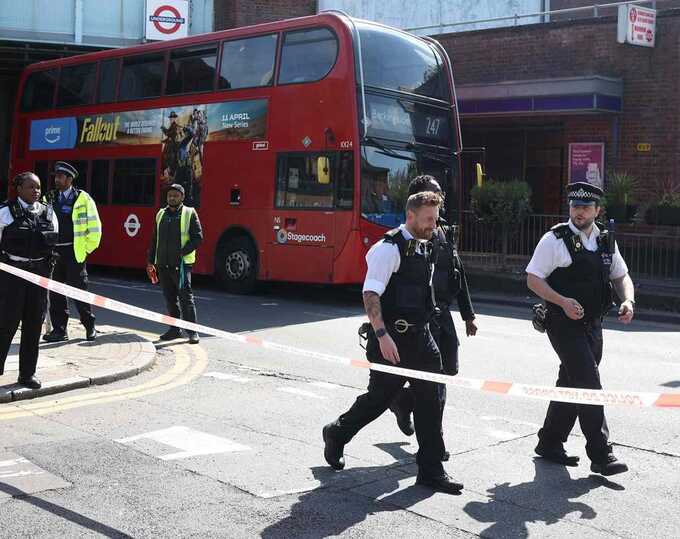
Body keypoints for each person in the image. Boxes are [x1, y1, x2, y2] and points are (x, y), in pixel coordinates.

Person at [323, 191, 463, 494]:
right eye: (428, 219)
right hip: (392, 339)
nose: (433, 225)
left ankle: (431, 470)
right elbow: (370, 294)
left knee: (431, 401)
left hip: (423, 337)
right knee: (379, 399)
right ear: (410, 216)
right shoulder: (387, 249)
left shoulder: (427, 245)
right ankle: (337, 433)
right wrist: (382, 335)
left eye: (435, 218)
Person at [526, 181, 635, 476]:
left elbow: (621, 276)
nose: (579, 212)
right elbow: (533, 278)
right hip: (562, 323)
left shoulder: (604, 240)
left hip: (594, 323)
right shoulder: (555, 239)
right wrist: (561, 301)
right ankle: (601, 454)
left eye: (586, 207)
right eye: (575, 206)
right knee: (588, 383)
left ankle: (549, 442)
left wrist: (628, 300)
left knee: (572, 381)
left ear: (597, 210)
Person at [389, 176, 478, 461]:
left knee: (448, 371)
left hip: (443, 314)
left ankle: (405, 401)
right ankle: (433, 446)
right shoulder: (404, 238)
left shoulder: (444, 232)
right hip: (420, 318)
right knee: (433, 383)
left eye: (439, 196)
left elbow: (458, 272)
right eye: (432, 196)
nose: (438, 200)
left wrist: (468, 314)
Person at [0, 172, 58, 388]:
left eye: (39, 187)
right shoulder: (5, 213)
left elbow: (52, 246)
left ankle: (27, 375)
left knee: (34, 326)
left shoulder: (48, 213)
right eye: (31, 187)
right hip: (12, 276)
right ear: (19, 189)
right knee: (6, 324)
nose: (36, 191)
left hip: (38, 278)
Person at [43, 161, 101, 342]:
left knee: (79, 291)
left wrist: (85, 250)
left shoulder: (83, 198)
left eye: (60, 177)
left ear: (69, 179)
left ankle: (90, 326)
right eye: (56, 177)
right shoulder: (49, 197)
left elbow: (95, 227)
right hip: (54, 254)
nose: (57, 180)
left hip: (74, 253)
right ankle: (60, 330)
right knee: (56, 292)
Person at [147, 184, 203, 344]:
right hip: (163, 265)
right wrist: (151, 261)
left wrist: (182, 251)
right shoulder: (160, 214)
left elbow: (198, 238)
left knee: (186, 298)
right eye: (170, 195)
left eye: (176, 195)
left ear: (182, 197)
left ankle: (192, 331)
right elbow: (154, 240)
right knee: (170, 299)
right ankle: (174, 329)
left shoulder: (189, 213)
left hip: (181, 265)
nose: (172, 198)